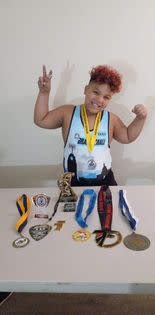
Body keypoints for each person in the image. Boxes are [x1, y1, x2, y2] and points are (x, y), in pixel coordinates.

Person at [34, 65, 147, 186]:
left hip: (105, 181)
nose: (99, 99)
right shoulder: (68, 113)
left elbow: (128, 136)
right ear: (86, 89)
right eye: (96, 92)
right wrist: (44, 93)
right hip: (72, 182)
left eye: (106, 97)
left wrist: (140, 118)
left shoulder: (111, 119)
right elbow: (41, 119)